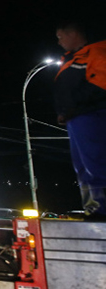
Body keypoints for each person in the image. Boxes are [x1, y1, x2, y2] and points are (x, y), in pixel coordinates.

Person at [54, 21, 106, 221]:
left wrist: (73, 107)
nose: (59, 42)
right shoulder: (72, 60)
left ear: (73, 34)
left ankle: (103, 209)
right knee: (84, 167)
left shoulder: (97, 52)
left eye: (61, 37)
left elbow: (100, 85)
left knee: (97, 162)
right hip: (77, 118)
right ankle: (94, 208)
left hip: (93, 115)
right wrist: (64, 111)